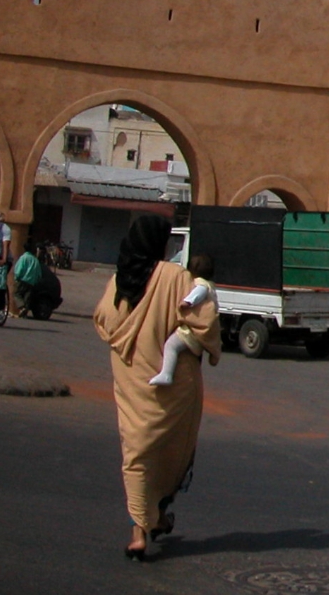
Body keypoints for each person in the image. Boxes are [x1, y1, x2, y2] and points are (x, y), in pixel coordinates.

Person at [93, 216, 221, 560]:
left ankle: (142, 529)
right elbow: (204, 321)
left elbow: (104, 323)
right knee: (170, 453)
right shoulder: (175, 277)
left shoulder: (118, 281)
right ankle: (155, 517)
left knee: (137, 455)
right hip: (172, 391)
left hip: (132, 385)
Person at [149, 255, 218, 388]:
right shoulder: (212, 286)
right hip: (203, 332)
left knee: (171, 345)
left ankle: (166, 373)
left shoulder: (201, 284)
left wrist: (187, 302)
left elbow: (199, 292)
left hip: (192, 331)